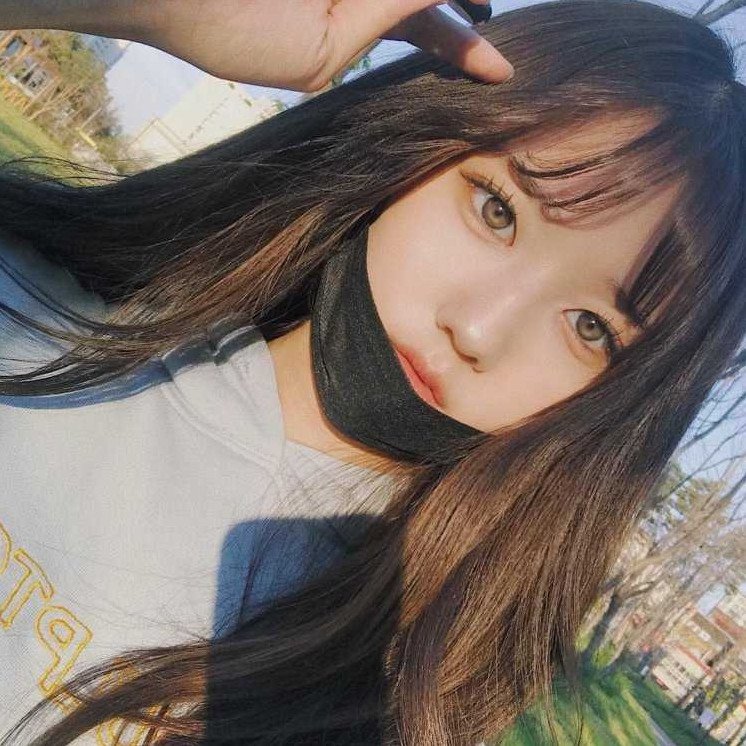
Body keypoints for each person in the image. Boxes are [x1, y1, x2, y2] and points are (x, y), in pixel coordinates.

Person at [0, 0, 744, 744]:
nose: (478, 330)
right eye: (497, 210)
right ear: (413, 145)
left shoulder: (392, 690)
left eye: (590, 328)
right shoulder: (32, 296)